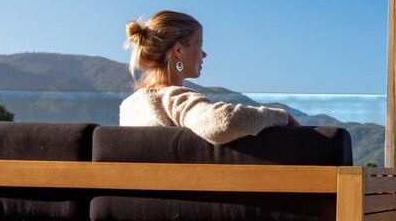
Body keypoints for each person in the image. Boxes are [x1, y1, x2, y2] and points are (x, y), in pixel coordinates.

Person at [119, 10, 298, 144]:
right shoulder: (173, 99)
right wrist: (282, 117)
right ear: (179, 51)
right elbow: (221, 121)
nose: (204, 54)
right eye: (199, 45)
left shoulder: (129, 106)